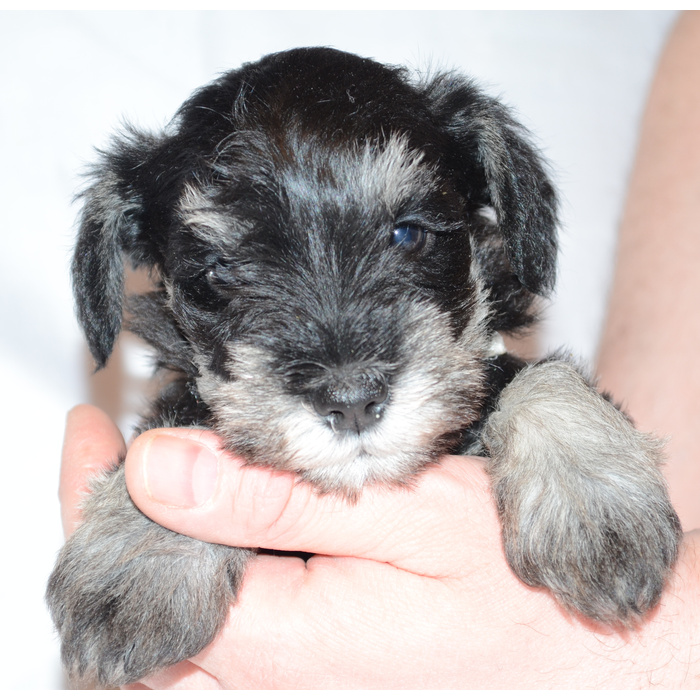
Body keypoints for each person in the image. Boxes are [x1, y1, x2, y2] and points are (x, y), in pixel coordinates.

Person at [58, 12, 700, 689]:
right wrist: (159, 509)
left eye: (408, 236)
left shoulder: (534, 419)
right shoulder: (183, 459)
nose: (347, 389)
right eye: (225, 274)